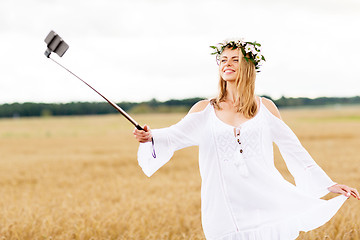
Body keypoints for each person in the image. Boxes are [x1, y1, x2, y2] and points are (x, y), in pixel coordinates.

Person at [133, 38, 360, 240]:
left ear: (248, 67)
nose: (227, 63)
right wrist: (149, 136)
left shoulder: (266, 107)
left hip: (266, 203)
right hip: (224, 209)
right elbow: (172, 136)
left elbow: (293, 149)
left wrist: (328, 185)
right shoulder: (204, 110)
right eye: (223, 59)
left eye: (234, 59)